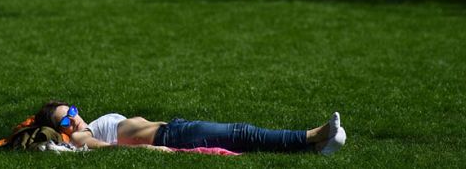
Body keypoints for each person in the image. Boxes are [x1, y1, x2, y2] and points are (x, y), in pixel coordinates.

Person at [29, 101, 346, 155]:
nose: (74, 119)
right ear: (62, 130)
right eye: (65, 120)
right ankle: (312, 136)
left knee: (242, 136)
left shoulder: (92, 124)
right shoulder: (81, 137)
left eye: (72, 111)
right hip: (170, 135)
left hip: (175, 128)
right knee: (242, 133)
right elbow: (105, 148)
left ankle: (316, 146)